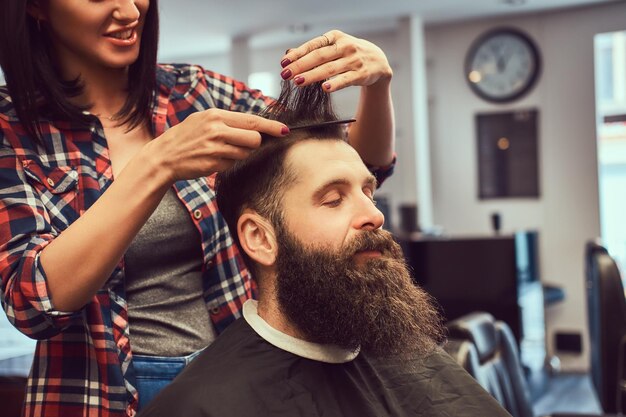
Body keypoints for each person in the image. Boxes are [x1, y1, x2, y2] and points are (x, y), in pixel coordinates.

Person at [0, 1, 395, 416]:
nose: (129, 10)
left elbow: (354, 166)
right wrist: (156, 165)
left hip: (238, 373)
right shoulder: (11, 127)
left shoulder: (194, 92)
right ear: (38, 9)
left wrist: (378, 85)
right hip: (100, 397)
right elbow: (34, 303)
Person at [139, 82, 512, 417]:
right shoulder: (201, 405)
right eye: (333, 199)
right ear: (260, 237)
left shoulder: (410, 357)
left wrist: (379, 85)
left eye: (369, 192)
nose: (374, 216)